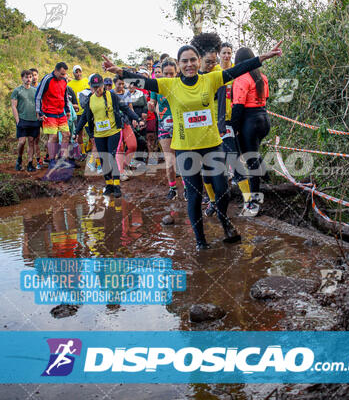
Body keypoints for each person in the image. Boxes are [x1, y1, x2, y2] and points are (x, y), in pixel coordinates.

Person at [102, 40, 282, 250]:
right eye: (184, 61)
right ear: (179, 64)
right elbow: (143, 82)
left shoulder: (211, 79)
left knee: (222, 190)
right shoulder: (170, 85)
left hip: (212, 145)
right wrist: (120, 72)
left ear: (198, 61)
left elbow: (240, 68)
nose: (189, 64)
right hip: (186, 148)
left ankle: (225, 223)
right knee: (195, 196)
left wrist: (264, 57)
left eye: (193, 60)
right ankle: (200, 241)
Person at [191, 33, 252, 217]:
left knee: (234, 159)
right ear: (199, 59)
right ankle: (212, 202)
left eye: (214, 60)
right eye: (208, 61)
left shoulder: (220, 73)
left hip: (223, 124)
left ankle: (249, 200)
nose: (212, 64)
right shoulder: (191, 75)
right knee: (205, 168)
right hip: (200, 128)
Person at [75, 74, 139, 197]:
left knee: (111, 156)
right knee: (103, 158)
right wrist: (77, 131)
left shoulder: (112, 96)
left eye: (99, 86)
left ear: (103, 85)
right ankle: (109, 184)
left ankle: (116, 185)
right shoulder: (90, 99)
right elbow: (84, 117)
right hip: (99, 134)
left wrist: (137, 118)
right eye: (94, 87)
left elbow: (125, 108)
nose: (97, 90)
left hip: (113, 132)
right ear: (91, 87)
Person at [231, 47, 271, 216]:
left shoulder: (240, 79)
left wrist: (234, 128)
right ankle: (265, 174)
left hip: (249, 121)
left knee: (251, 160)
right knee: (254, 153)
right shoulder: (262, 77)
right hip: (263, 119)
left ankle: (254, 201)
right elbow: (266, 98)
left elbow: (238, 108)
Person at [148, 58, 178, 200]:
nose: (168, 77)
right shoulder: (156, 86)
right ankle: (172, 188)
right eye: (166, 73)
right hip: (164, 126)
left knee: (185, 159)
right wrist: (151, 104)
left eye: (171, 73)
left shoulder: (181, 84)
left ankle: (188, 188)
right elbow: (152, 101)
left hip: (181, 125)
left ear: (176, 72)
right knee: (170, 160)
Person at [35, 62, 71, 168]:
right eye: (61, 74)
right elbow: (38, 96)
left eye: (64, 74)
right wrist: (39, 112)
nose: (63, 76)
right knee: (53, 136)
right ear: (55, 71)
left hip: (61, 112)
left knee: (66, 135)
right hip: (49, 113)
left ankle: (62, 159)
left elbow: (65, 96)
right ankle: (51, 160)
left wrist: (67, 110)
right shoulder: (47, 79)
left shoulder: (64, 80)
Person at [11, 70, 41, 171]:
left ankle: (29, 163)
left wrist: (38, 117)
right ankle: (19, 159)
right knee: (22, 142)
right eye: (26, 77)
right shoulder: (17, 91)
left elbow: (37, 105)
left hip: (34, 120)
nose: (28, 79)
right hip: (22, 119)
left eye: (30, 77)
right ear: (22, 78)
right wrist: (17, 120)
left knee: (31, 141)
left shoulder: (35, 91)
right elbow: (14, 106)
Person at [113, 75, 141, 180]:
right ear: (114, 83)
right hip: (115, 125)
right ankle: (120, 172)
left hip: (126, 122)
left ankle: (124, 165)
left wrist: (134, 118)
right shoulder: (110, 94)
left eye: (123, 84)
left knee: (132, 145)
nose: (121, 86)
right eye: (119, 84)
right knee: (119, 147)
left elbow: (130, 107)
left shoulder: (127, 93)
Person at [68, 65, 90, 157]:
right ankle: (83, 151)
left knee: (91, 132)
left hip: (88, 110)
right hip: (76, 112)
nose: (78, 74)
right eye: (76, 72)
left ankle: (89, 147)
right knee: (79, 133)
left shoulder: (86, 81)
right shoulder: (69, 84)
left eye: (79, 71)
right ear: (73, 73)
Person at [29, 67, 43, 169]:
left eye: (35, 75)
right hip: (33, 117)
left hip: (44, 115)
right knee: (34, 139)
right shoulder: (27, 89)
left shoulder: (41, 86)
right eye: (31, 75)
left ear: (38, 76)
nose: (34, 77)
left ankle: (48, 158)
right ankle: (38, 160)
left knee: (50, 138)